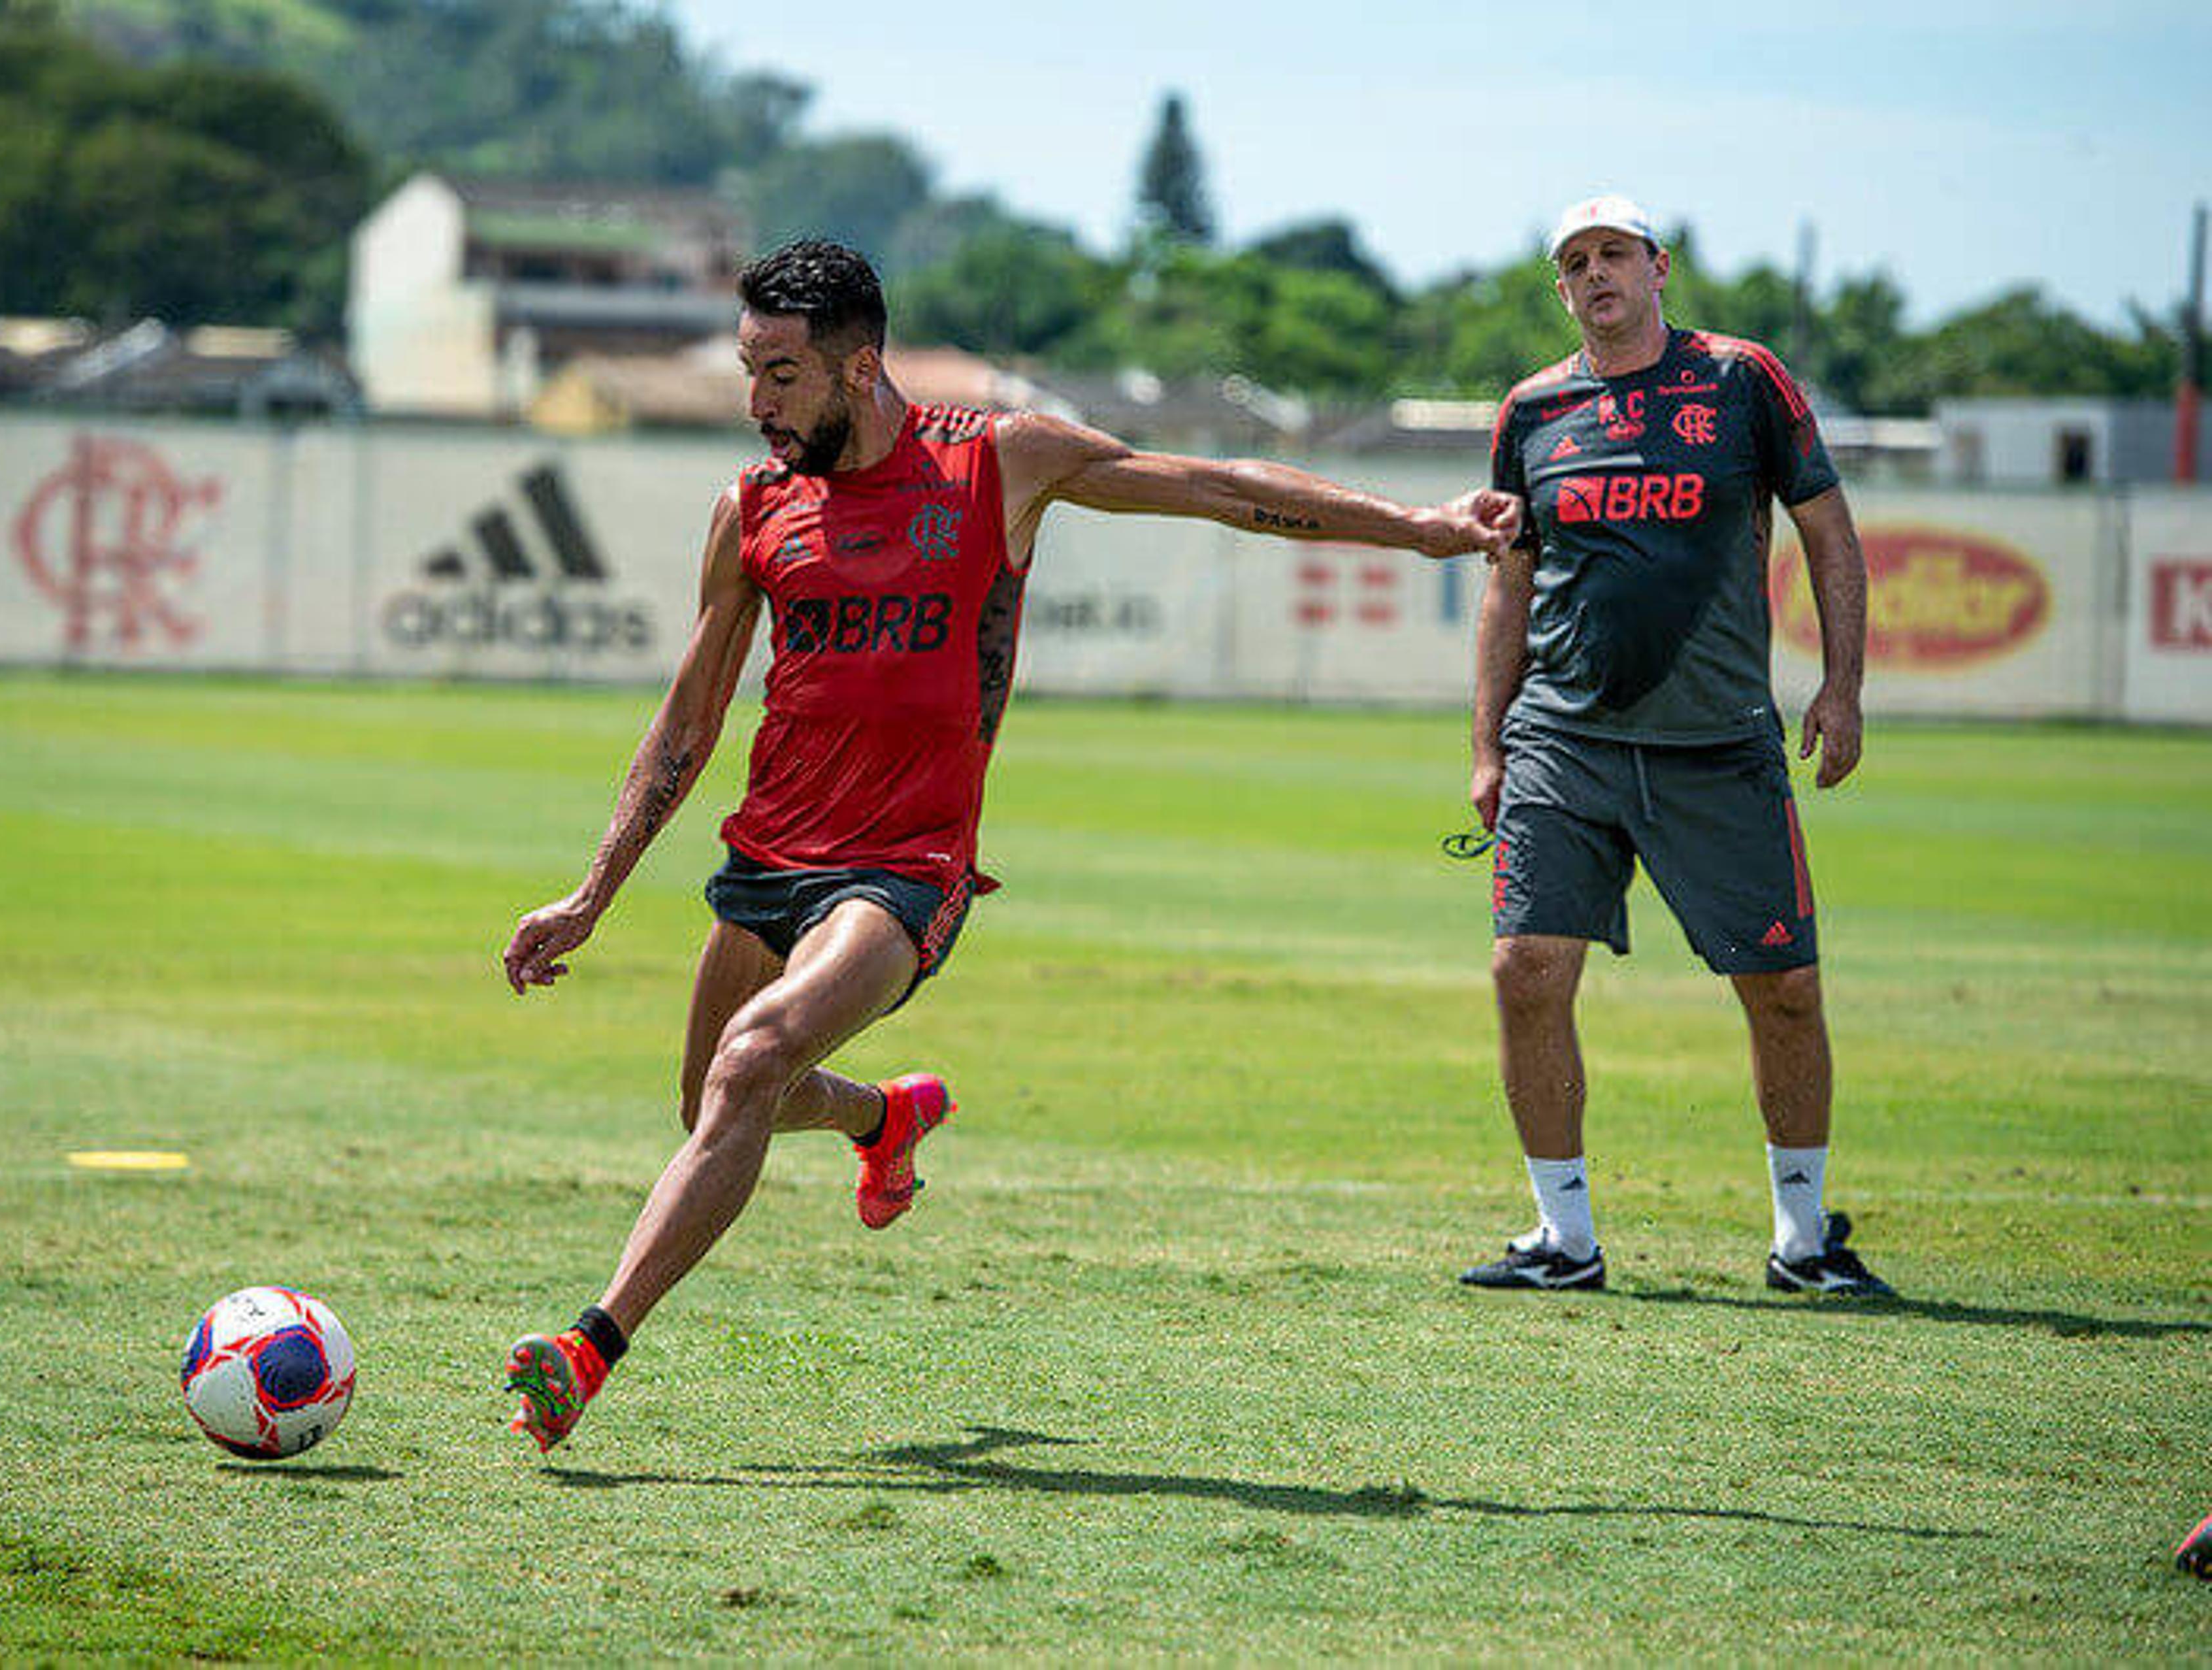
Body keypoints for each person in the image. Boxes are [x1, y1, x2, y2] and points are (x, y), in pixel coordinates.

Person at [498, 238, 1523, 1450]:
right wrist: (592, 895)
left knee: (749, 1058)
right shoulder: (755, 508)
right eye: (748, 371)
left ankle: (587, 1346)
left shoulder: (997, 461)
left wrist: (1420, 527)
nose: (756, 402)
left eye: (780, 374)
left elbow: (1211, 483)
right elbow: (689, 717)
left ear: (858, 365)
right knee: (714, 1103)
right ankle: (883, 1119)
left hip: (904, 868)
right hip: (768, 854)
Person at [1460, 194, 1891, 1297]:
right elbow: (1508, 585)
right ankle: (1563, 1239)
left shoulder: (1743, 380)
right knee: (1525, 971)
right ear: (1560, 289)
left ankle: (1804, 1239)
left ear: (1660, 268)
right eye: (1574, 263)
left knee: (1784, 988)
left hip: (1717, 745)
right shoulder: (1533, 409)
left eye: (1614, 254)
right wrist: (1488, 745)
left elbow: (1830, 534)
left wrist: (1841, 689)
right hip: (1565, 739)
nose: (1595, 274)